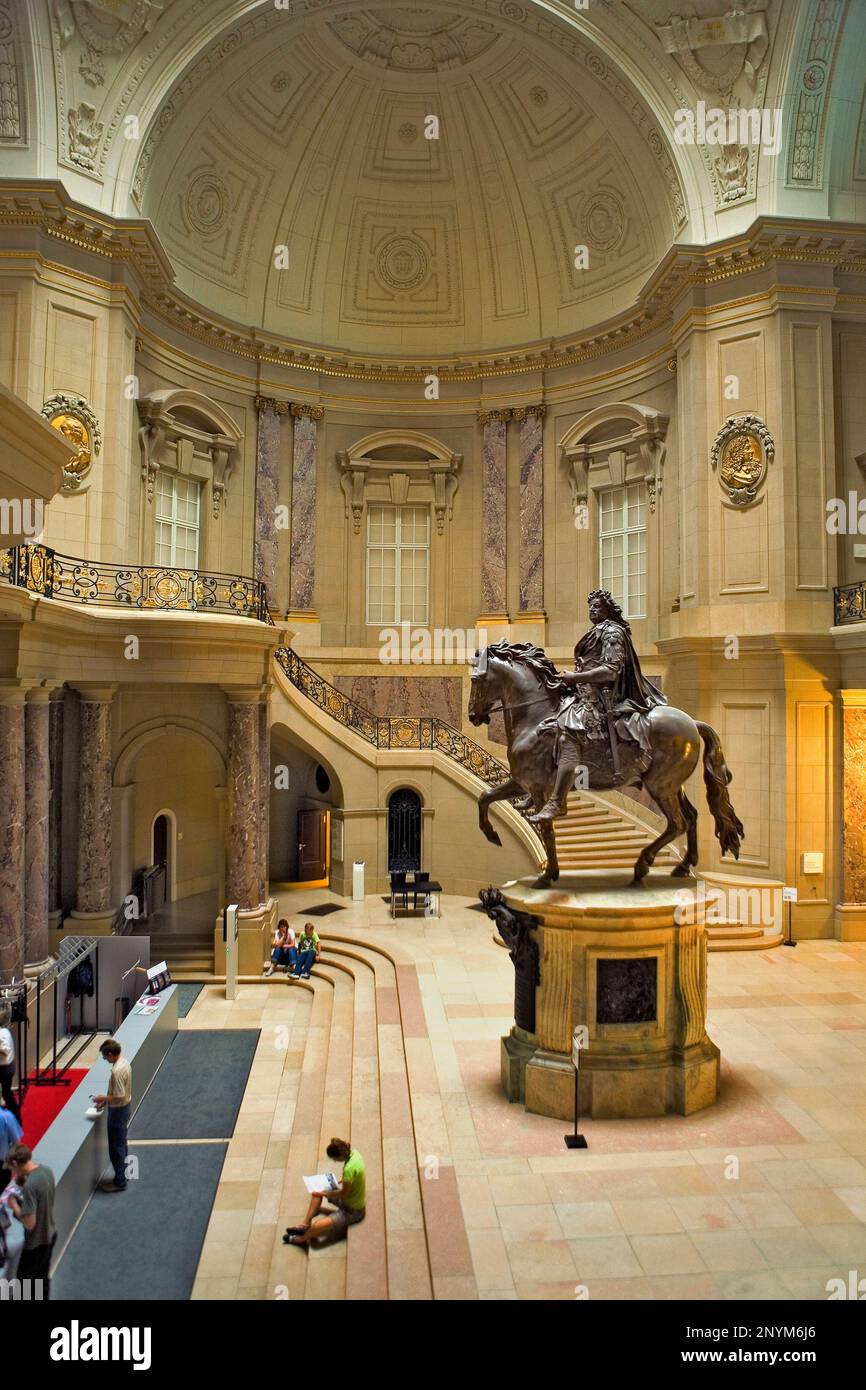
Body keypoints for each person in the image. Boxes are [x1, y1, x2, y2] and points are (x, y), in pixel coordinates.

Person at [529, 588, 667, 824]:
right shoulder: (596, 631)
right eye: (590, 606)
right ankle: (540, 786)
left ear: (608, 610)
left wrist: (574, 678)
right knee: (547, 726)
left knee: (569, 736)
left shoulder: (612, 632)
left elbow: (611, 671)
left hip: (604, 699)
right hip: (585, 693)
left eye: (597, 606)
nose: (592, 610)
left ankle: (557, 802)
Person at [283, 1137, 365, 1247]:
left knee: (317, 1225)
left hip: (353, 1211)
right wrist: (339, 1181)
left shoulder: (348, 1169)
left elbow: (344, 1194)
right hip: (350, 1200)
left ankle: (299, 1240)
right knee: (318, 1190)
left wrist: (324, 1194)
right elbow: (352, 1178)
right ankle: (305, 1224)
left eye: (335, 1159)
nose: (335, 1161)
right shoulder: (355, 1153)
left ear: (339, 1156)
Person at [6, 1143, 56, 1297]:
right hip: (50, 1234)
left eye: (13, 1169)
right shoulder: (46, 1171)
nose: (14, 1173)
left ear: (15, 1163)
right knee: (42, 1280)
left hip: (36, 1243)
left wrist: (14, 1205)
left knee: (25, 1288)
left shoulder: (30, 1186)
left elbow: (29, 1223)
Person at [93, 1039, 132, 1193]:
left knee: (116, 1148)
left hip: (118, 1111)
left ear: (110, 1054)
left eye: (105, 1057)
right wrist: (106, 1102)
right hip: (125, 1108)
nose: (105, 1060)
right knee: (122, 1144)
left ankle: (120, 1182)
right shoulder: (125, 1062)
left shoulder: (116, 1072)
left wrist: (103, 1098)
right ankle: (124, 1174)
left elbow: (119, 1095)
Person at [0, 1003, 22, 1124]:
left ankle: (16, 1121)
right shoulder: (5, 1031)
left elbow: (4, 1050)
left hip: (4, 1068)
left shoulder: (2, 1033)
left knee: (7, 1095)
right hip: (8, 1066)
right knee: (7, 1094)